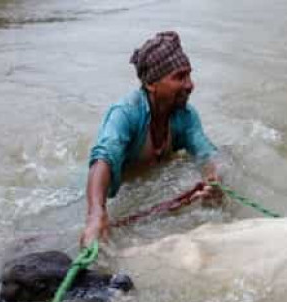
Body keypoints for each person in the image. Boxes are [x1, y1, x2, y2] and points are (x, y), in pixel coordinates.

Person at [80, 31, 220, 247]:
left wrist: (214, 182)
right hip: (104, 189)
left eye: (189, 75)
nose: (190, 85)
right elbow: (104, 158)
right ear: (151, 84)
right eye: (180, 77)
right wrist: (96, 214)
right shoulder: (125, 113)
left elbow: (205, 153)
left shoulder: (185, 116)